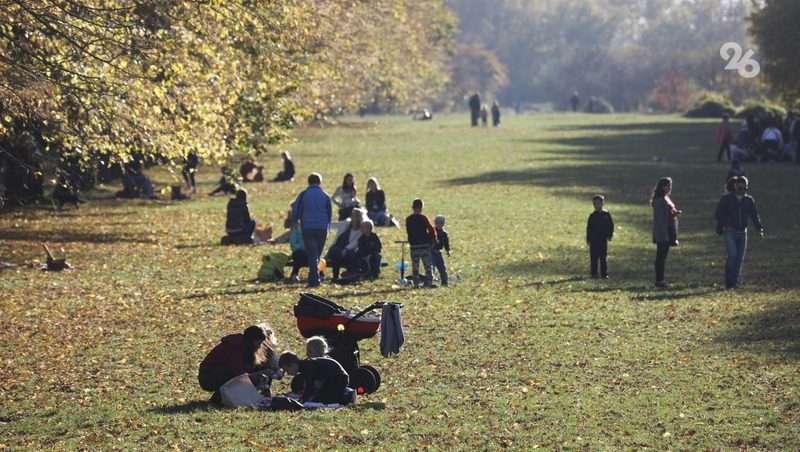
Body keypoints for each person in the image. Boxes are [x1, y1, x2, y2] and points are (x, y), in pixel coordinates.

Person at [198, 324, 281, 401]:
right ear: (251, 341)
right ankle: (219, 398)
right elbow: (239, 375)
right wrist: (260, 374)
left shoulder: (246, 348)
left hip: (220, 373)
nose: (259, 347)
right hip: (207, 377)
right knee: (230, 372)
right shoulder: (235, 347)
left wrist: (269, 373)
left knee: (261, 369)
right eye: (258, 344)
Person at [715, 176, 764, 289]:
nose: (741, 191)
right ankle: (728, 281)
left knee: (739, 258)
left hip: (743, 232)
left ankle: (735, 282)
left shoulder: (748, 200)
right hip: (730, 231)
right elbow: (718, 213)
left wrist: (759, 229)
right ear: (735, 186)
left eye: (744, 189)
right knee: (732, 255)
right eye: (739, 188)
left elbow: (754, 215)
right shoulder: (727, 199)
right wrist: (724, 223)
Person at [291, 173, 332, 287]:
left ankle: (314, 278)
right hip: (322, 227)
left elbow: (296, 208)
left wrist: (295, 219)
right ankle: (315, 277)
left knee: (313, 253)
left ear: (309, 182)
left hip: (308, 226)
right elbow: (329, 212)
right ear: (319, 182)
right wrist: (327, 226)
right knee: (317, 253)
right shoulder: (325, 195)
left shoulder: (304, 194)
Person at [278, 351, 350, 404]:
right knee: (319, 395)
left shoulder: (308, 366)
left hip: (339, 378)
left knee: (320, 398)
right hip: (332, 379)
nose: (288, 373)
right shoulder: (306, 366)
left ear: (293, 365)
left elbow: (309, 386)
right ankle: (341, 394)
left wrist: (302, 401)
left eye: (287, 370)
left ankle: (345, 397)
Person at [651, 177, 679, 289]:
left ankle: (661, 279)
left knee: (663, 256)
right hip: (663, 231)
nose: (669, 188)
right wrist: (664, 234)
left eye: (670, 186)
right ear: (662, 187)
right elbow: (660, 219)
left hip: (669, 229)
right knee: (660, 257)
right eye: (668, 186)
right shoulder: (659, 200)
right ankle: (659, 280)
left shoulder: (665, 198)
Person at [325, 208, 365, 281]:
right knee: (335, 252)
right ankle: (335, 275)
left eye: (355, 216)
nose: (352, 218)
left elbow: (355, 242)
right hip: (339, 247)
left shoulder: (361, 229)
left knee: (351, 254)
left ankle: (351, 274)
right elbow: (333, 225)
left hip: (350, 250)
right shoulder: (346, 224)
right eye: (352, 216)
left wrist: (346, 249)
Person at [405, 198, 438, 288]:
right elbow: (431, 229)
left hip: (414, 246)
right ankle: (429, 282)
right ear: (421, 207)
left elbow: (408, 231)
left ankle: (416, 283)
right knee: (428, 264)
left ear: (412, 207)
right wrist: (434, 239)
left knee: (415, 266)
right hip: (424, 245)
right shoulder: (423, 218)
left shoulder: (408, 219)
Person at [586, 195, 614, 279]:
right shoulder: (592, 216)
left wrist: (609, 235)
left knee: (603, 257)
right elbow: (589, 228)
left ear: (602, 204)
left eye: (598, 203)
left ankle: (604, 273)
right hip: (594, 239)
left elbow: (610, 225)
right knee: (593, 257)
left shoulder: (606, 214)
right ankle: (594, 273)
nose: (596, 205)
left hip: (603, 239)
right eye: (594, 204)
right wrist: (588, 238)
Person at [432, 214, 450, 286]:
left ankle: (444, 282)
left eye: (441, 223)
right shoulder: (433, 231)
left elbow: (446, 243)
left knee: (442, 268)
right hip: (432, 252)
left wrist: (448, 250)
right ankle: (430, 282)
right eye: (437, 223)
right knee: (431, 268)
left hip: (439, 252)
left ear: (443, 223)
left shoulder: (444, 233)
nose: (439, 224)